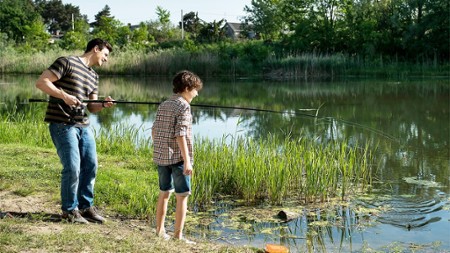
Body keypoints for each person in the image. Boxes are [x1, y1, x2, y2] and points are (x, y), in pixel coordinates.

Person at [35, 38, 114, 224]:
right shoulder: (66, 62)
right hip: (62, 124)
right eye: (105, 54)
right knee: (72, 167)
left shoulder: (94, 76)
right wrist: (64, 96)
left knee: (91, 165)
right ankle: (69, 210)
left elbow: (92, 107)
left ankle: (85, 207)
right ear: (96, 49)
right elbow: (42, 82)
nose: (106, 59)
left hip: (83, 125)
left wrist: (103, 104)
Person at [151, 70, 203, 244]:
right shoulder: (184, 106)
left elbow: (154, 130)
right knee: (182, 196)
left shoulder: (164, 104)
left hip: (161, 157)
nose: (196, 94)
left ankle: (159, 231)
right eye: (195, 90)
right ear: (187, 88)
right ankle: (178, 237)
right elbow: (181, 134)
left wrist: (159, 148)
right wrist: (187, 160)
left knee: (164, 193)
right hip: (178, 159)